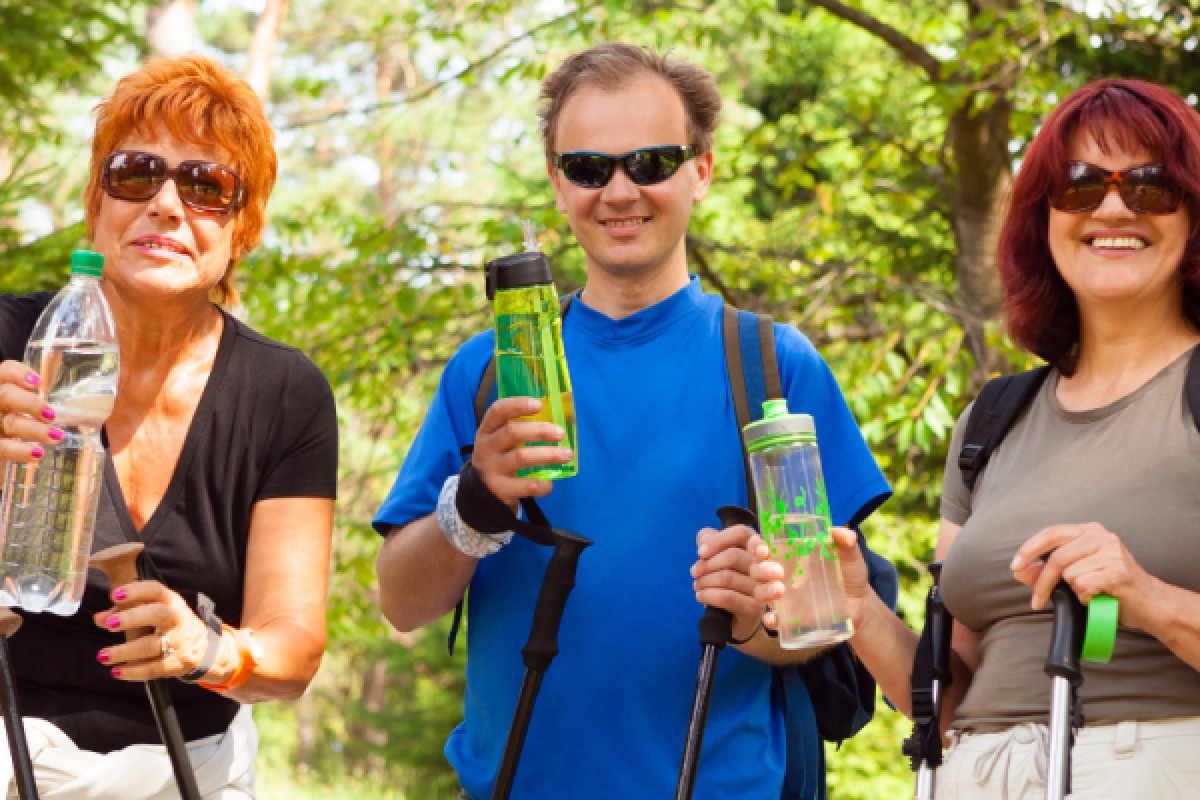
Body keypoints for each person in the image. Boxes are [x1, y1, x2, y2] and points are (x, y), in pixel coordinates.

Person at [373, 43, 891, 799]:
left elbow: (827, 623)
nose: (620, 191)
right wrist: (477, 502)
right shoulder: (490, 371)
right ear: (557, 183)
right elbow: (401, 601)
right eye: (589, 168)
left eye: (650, 162)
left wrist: (759, 612)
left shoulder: (774, 368)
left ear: (701, 171)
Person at [753, 77, 1200, 799]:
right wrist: (860, 609)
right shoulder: (991, 422)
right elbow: (948, 693)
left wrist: (1144, 595)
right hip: (971, 775)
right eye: (1082, 186)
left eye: (1150, 187)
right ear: (1044, 217)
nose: (1115, 207)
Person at [0, 55, 337, 798]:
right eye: (135, 174)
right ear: (97, 202)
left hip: (193, 772)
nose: (165, 204)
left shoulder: (283, 393)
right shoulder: (8, 346)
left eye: (207, 187)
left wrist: (209, 649)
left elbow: (293, 651)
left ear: (241, 230)